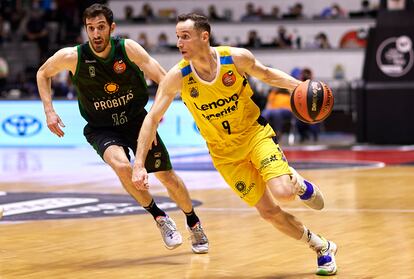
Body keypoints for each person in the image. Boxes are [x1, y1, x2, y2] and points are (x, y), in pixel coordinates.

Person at [132, 13, 338, 276]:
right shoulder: (178, 76)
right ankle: (321, 247)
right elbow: (151, 119)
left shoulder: (235, 57)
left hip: (254, 135)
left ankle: (297, 184)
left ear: (204, 37)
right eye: (177, 37)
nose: (179, 43)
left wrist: (300, 86)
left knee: (284, 193)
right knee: (268, 212)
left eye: (185, 36)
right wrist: (139, 163)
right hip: (224, 154)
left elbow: (266, 74)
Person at [36, 4, 208, 254]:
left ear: (111, 28)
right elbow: (43, 73)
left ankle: (193, 221)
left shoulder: (128, 49)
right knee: (122, 166)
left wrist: (160, 109)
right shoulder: (73, 56)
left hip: (137, 122)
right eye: (90, 28)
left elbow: (163, 77)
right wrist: (49, 111)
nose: (95, 34)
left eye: (101, 27)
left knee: (167, 177)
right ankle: (159, 217)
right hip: (102, 127)